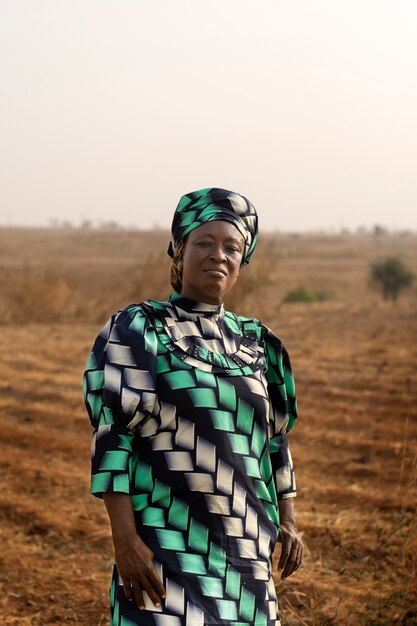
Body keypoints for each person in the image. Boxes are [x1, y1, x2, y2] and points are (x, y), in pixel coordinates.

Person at [83, 187, 303, 626]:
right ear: (179, 251)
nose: (218, 255)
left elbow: (274, 441)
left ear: (243, 262)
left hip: (245, 549)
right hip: (166, 543)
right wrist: (124, 541)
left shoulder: (258, 342)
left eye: (232, 247)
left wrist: (290, 519)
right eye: (204, 242)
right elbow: (114, 436)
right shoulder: (139, 328)